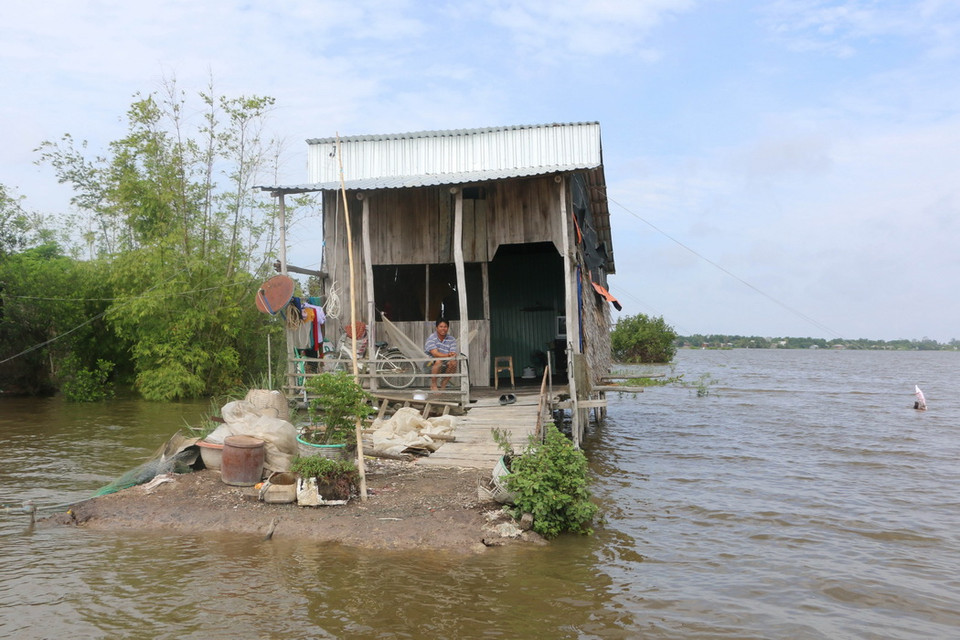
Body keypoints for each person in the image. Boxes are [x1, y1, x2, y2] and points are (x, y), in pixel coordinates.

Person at [425, 318, 458, 391]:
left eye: (445, 327)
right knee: (438, 361)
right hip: (429, 364)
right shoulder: (432, 338)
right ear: (437, 327)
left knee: (453, 362)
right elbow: (435, 354)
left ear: (448, 328)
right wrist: (448, 355)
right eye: (441, 326)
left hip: (445, 362)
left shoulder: (451, 339)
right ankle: (433, 384)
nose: (443, 329)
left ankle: (444, 383)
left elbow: (452, 353)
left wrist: (452, 354)